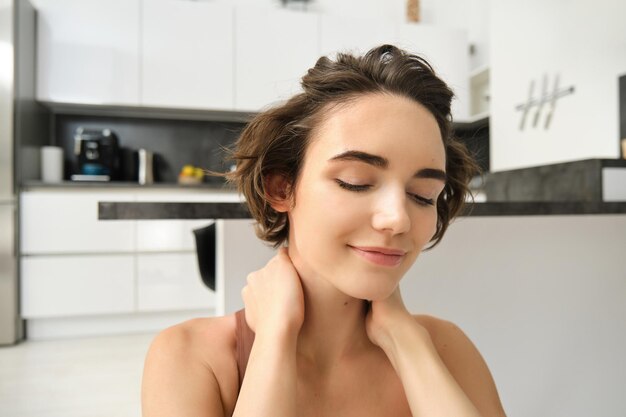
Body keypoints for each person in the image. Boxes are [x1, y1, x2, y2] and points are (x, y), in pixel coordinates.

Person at [141, 44, 507, 417]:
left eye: (422, 195)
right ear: (281, 188)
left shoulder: (447, 349)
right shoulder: (190, 357)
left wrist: (405, 341)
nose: (398, 219)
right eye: (355, 182)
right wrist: (274, 340)